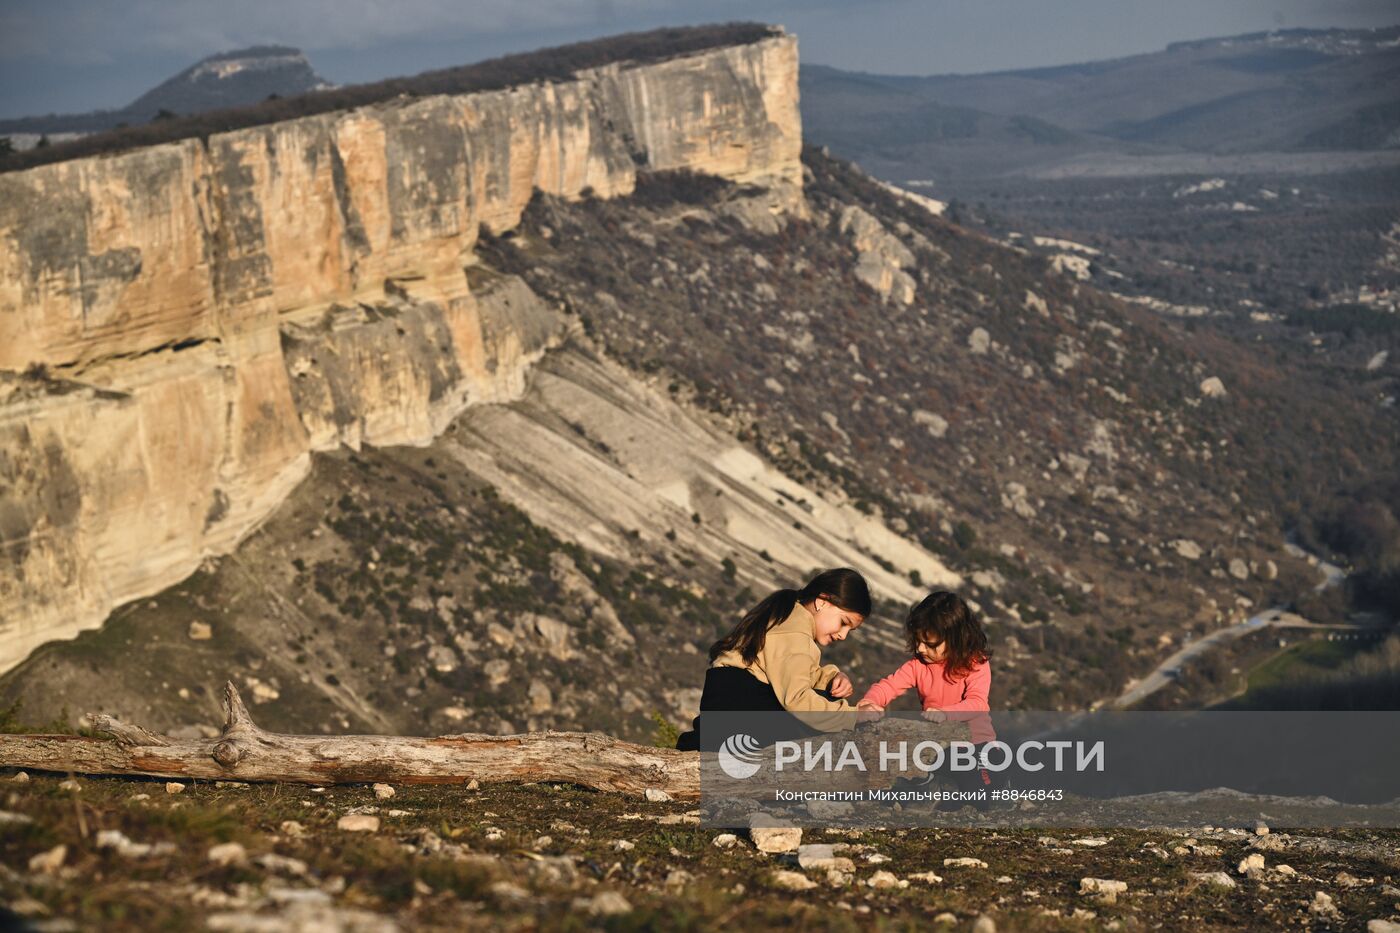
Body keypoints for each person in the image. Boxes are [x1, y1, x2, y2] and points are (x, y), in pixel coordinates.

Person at [674, 568, 870, 752]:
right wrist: (852, 716)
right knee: (824, 719)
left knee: (826, 702)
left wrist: (832, 678)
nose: (843, 635)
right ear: (822, 601)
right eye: (844, 623)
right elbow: (798, 699)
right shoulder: (794, 632)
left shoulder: (789, 617)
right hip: (736, 705)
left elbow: (796, 672)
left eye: (850, 630)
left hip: (728, 704)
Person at [857, 590, 996, 807]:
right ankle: (936, 787)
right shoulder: (918, 666)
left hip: (976, 745)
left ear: (957, 639)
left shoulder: (975, 663)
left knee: (981, 798)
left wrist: (945, 714)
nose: (921, 649)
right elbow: (889, 685)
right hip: (936, 744)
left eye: (930, 645)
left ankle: (995, 785)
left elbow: (978, 703)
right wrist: (870, 702)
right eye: (918, 641)